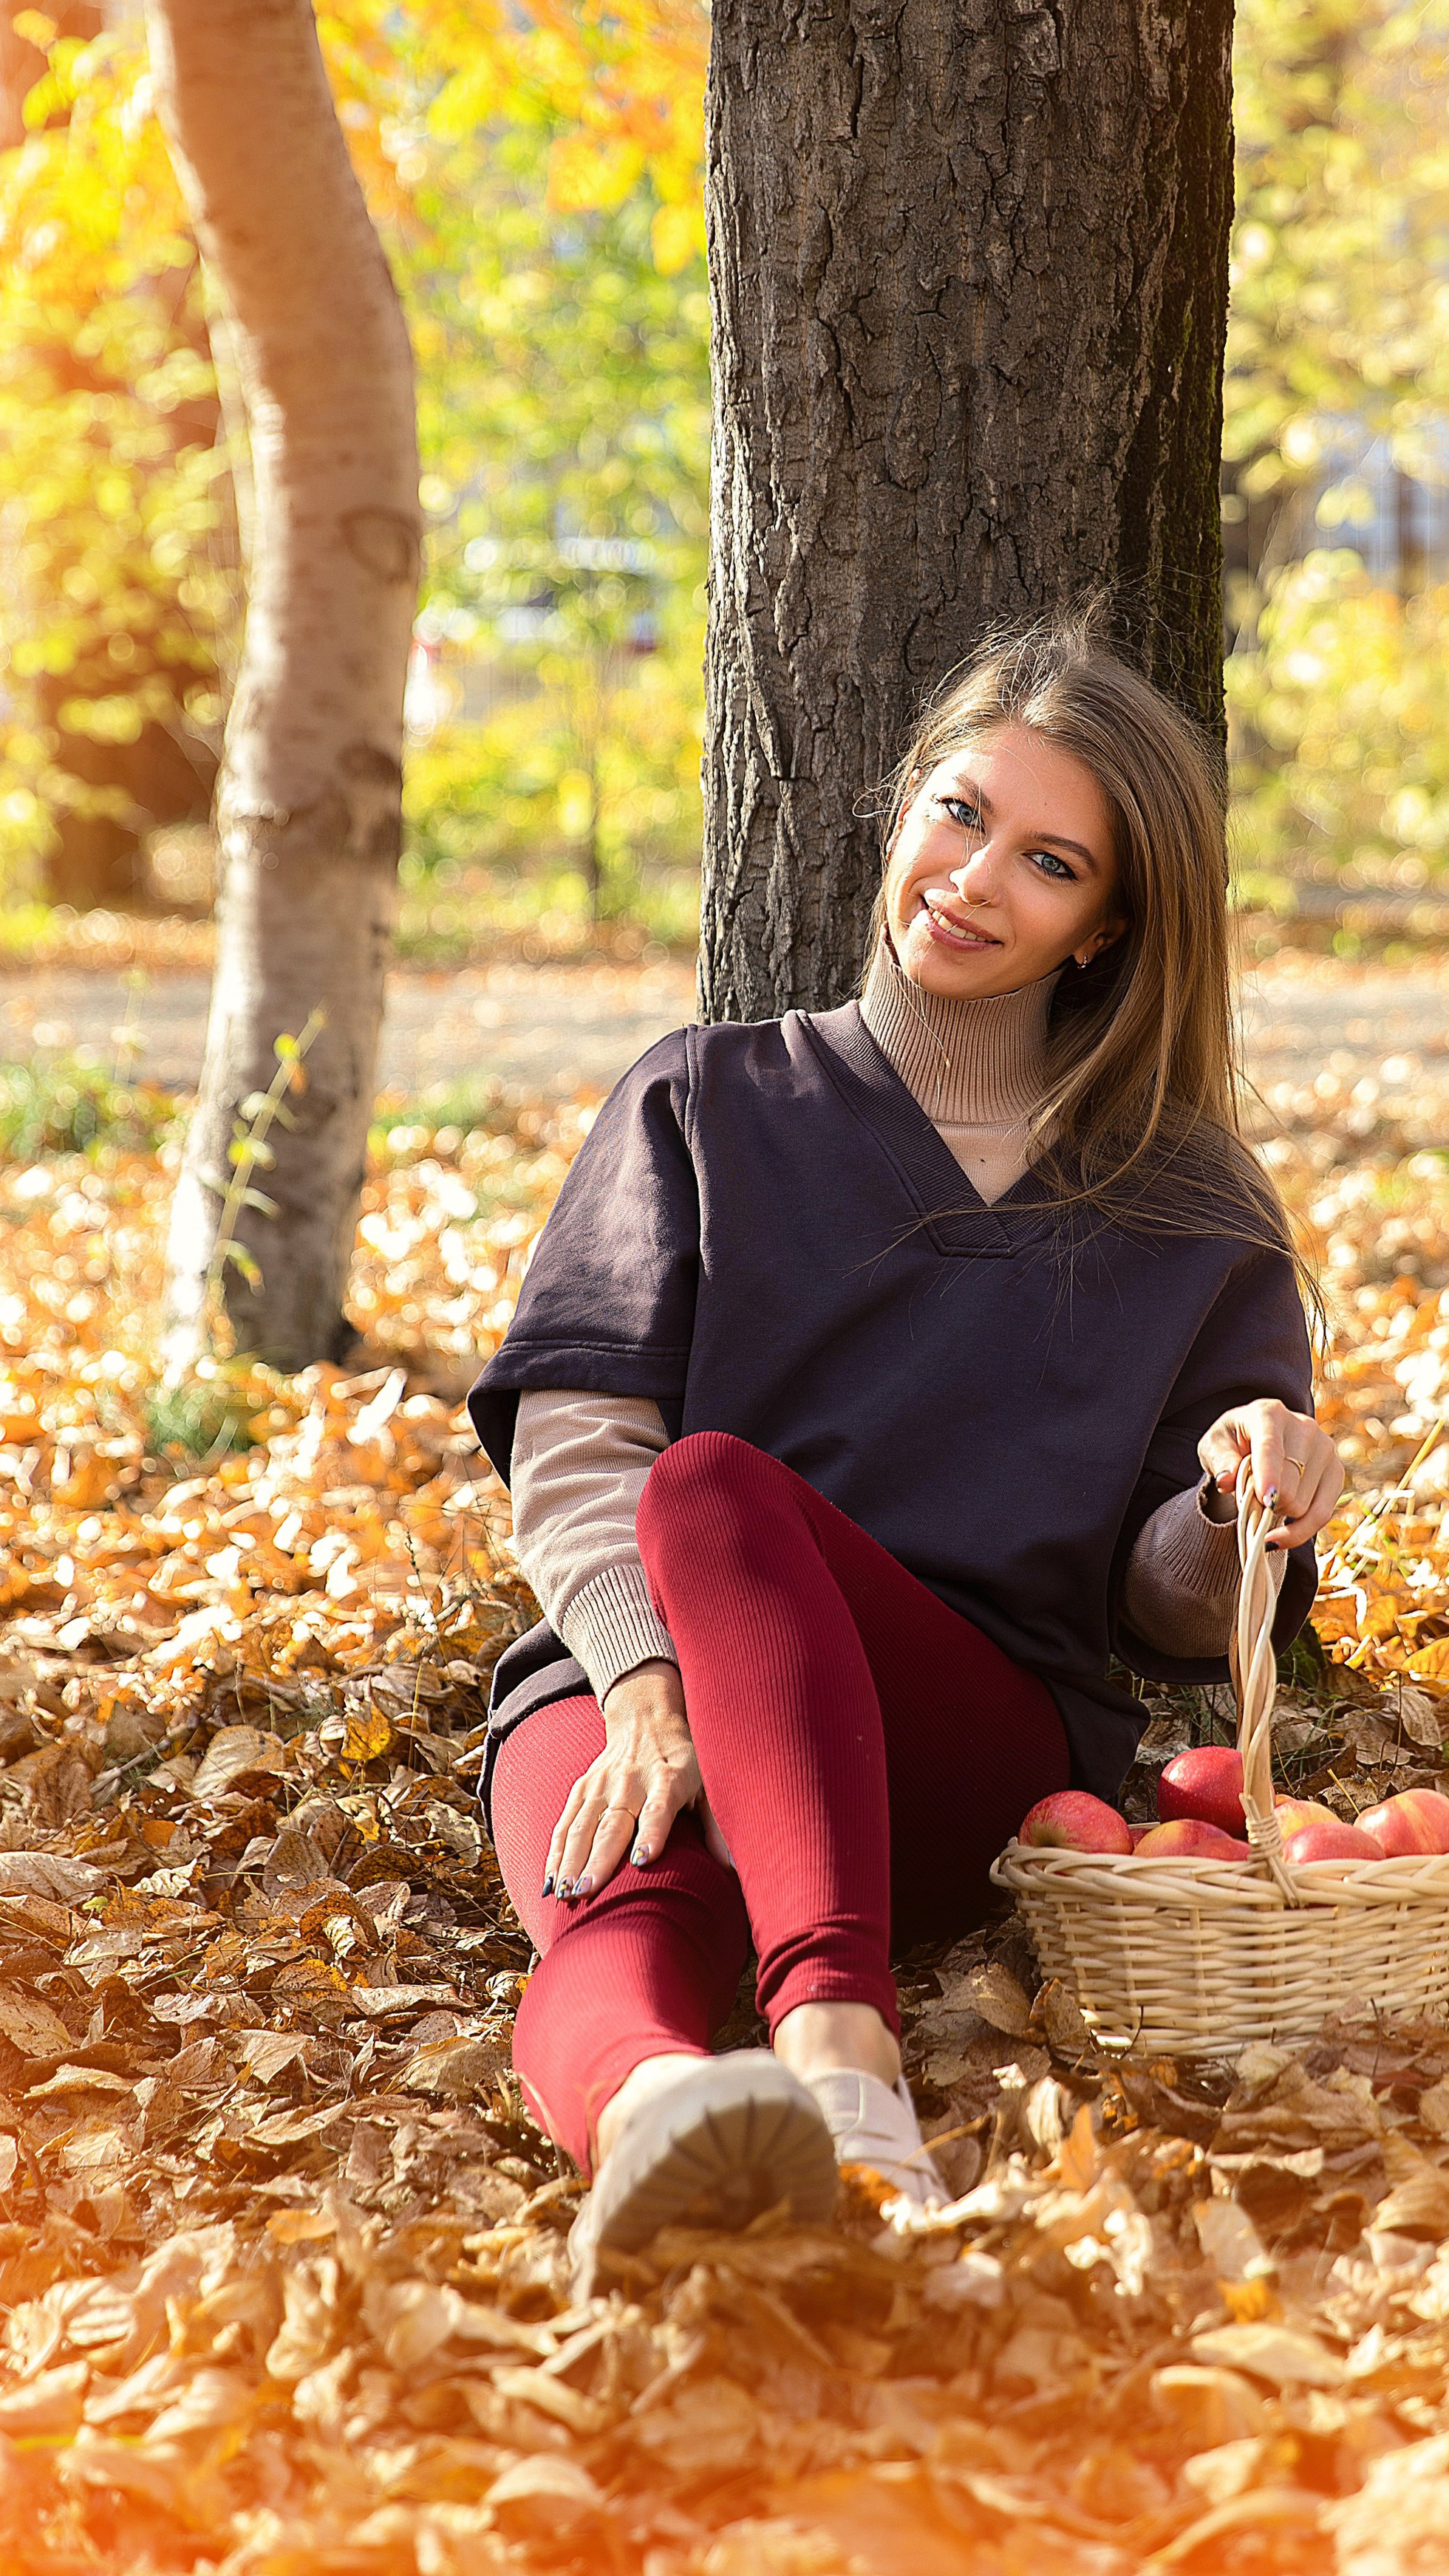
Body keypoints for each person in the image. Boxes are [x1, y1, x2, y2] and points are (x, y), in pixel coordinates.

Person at [466, 606, 1343, 2297]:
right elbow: (577, 1451)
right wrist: (650, 1681)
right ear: (896, 811)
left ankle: (840, 2066)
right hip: (632, 1664)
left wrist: (1245, 1498)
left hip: (961, 1725)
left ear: (1104, 926)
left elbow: (1167, 1607)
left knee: (714, 1483)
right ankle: (658, 2119)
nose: (971, 875)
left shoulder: (1189, 1206)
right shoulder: (704, 1102)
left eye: (1047, 859)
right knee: (618, 1896)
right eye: (957, 811)